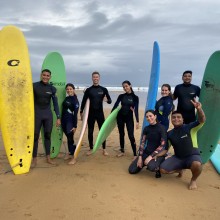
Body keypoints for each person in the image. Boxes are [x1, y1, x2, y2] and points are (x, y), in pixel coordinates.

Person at [160, 98, 206, 190]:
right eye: (174, 117)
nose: (176, 119)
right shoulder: (169, 133)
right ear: (171, 120)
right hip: (178, 157)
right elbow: (165, 149)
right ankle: (180, 169)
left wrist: (199, 109)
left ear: (182, 119)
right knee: (162, 169)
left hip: (192, 156)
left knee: (197, 164)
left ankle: (193, 180)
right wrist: (155, 155)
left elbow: (202, 120)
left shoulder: (190, 127)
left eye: (178, 117)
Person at [32, 69, 61, 166]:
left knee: (47, 136)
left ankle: (48, 158)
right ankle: (34, 159)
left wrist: (58, 117)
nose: (45, 77)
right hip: (37, 114)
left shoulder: (52, 89)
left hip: (48, 115)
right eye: (44, 75)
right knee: (35, 136)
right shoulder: (34, 86)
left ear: (50, 77)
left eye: (47, 75)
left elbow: (55, 104)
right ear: (41, 75)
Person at [80, 71, 112, 156]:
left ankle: (104, 149)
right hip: (91, 114)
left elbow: (110, 101)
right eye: (94, 77)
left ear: (99, 78)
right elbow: (83, 101)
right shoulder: (88, 90)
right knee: (90, 131)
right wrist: (81, 111)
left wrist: (107, 100)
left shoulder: (104, 90)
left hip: (100, 114)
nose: (95, 78)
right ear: (92, 78)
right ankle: (91, 148)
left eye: (97, 77)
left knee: (103, 131)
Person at [128, 110, 168, 178]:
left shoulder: (162, 128)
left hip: (157, 154)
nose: (149, 118)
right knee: (132, 170)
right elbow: (142, 143)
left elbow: (162, 145)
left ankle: (158, 167)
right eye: (147, 117)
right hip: (146, 153)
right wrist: (140, 157)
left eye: (150, 116)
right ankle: (144, 162)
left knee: (151, 167)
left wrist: (150, 156)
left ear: (155, 116)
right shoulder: (146, 129)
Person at [111, 80, 139, 159]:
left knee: (131, 135)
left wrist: (137, 121)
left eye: (126, 86)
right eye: (123, 87)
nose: (125, 88)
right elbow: (116, 105)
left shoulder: (135, 97)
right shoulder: (121, 96)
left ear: (130, 85)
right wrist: (110, 115)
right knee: (121, 134)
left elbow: (136, 109)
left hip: (129, 118)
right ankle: (122, 151)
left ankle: (134, 154)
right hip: (120, 117)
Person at [61, 83, 79, 165]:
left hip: (70, 121)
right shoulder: (67, 98)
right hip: (64, 120)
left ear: (73, 89)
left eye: (70, 89)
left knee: (70, 138)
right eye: (67, 89)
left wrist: (75, 126)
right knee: (68, 137)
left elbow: (75, 114)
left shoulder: (75, 100)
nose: (69, 90)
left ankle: (74, 157)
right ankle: (70, 153)